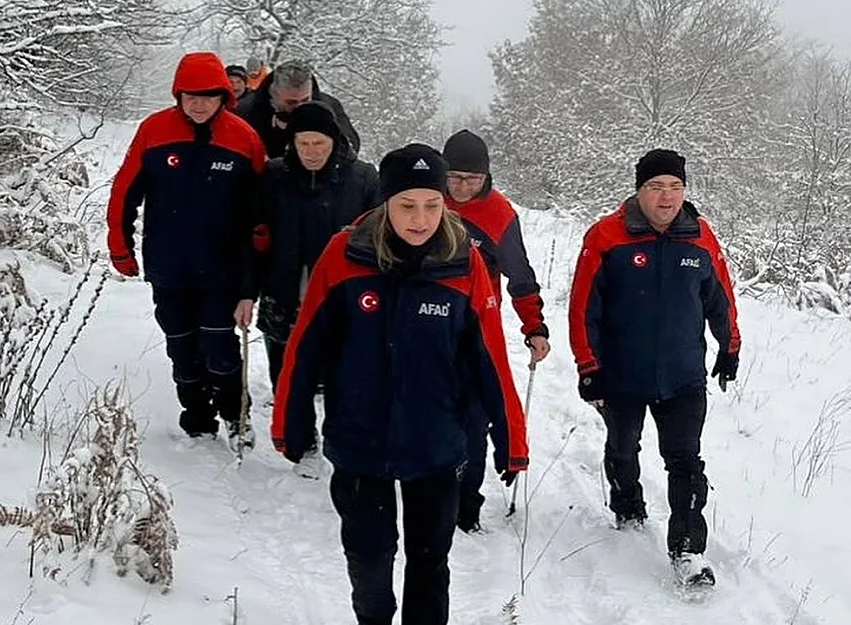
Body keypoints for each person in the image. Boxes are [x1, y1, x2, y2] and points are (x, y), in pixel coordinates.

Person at [271, 143, 528, 624]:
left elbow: (490, 358)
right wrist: (291, 418)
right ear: (385, 203)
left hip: (435, 443)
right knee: (369, 562)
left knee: (430, 565)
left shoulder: (464, 263)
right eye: (407, 205)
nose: (421, 218)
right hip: (359, 439)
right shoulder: (345, 254)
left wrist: (509, 436)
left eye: (432, 205)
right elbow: (306, 346)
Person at [568, 148, 741, 587]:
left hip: (683, 375)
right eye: (656, 188)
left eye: (675, 188)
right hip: (621, 374)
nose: (667, 198)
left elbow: (720, 296)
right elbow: (583, 307)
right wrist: (588, 366)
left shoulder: (700, 237)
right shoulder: (607, 237)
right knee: (623, 448)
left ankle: (687, 550)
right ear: (639, 190)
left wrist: (730, 347)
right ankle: (627, 503)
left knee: (685, 461)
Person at [106, 51, 267, 451]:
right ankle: (196, 417)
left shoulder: (243, 138)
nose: (198, 104)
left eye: (208, 96)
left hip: (221, 268)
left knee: (219, 346)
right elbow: (125, 191)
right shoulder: (154, 131)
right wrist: (120, 246)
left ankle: (235, 413)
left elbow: (259, 215)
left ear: (223, 97)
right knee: (180, 345)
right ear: (178, 95)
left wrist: (253, 273)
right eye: (190, 96)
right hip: (168, 264)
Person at [250, 100, 380, 477]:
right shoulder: (273, 177)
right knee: (287, 370)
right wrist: (246, 290)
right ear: (292, 143)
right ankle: (302, 442)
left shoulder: (361, 179)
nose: (311, 152)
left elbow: (378, 238)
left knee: (343, 374)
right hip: (283, 288)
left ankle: (341, 442)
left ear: (334, 142)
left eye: (318, 144)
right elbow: (254, 235)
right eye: (303, 144)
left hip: (342, 296)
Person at [441, 128, 550, 533]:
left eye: (472, 179)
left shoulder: (499, 215)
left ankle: (466, 505)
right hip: (424, 328)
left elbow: (520, 277)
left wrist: (534, 326)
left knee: (474, 418)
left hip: (476, 331)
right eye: (454, 177)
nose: (462, 187)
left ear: (486, 177)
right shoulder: (426, 202)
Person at [236, 59, 361, 159]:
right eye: (291, 102)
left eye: (305, 100)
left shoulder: (328, 107)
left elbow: (350, 151)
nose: (299, 107)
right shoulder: (245, 112)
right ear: (273, 94)